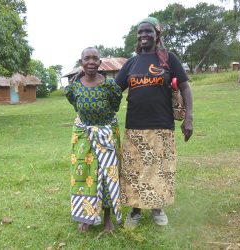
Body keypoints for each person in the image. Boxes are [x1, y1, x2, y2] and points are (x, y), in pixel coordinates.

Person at [115, 17, 193, 227]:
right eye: (140, 32)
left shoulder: (169, 59)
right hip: (135, 125)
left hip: (162, 125)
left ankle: (157, 208)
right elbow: (114, 89)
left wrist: (189, 118)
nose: (143, 35)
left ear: (157, 34)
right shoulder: (131, 62)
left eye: (148, 31)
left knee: (159, 169)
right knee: (134, 170)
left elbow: (185, 87)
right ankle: (135, 210)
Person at [65, 47, 123, 233]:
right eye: (87, 58)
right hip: (83, 135)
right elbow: (77, 107)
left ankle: (107, 218)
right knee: (84, 175)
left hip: (106, 134)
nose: (91, 62)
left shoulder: (110, 86)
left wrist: (100, 126)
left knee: (107, 175)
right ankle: (87, 217)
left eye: (95, 59)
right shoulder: (74, 87)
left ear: (100, 62)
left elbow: (115, 107)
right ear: (81, 62)